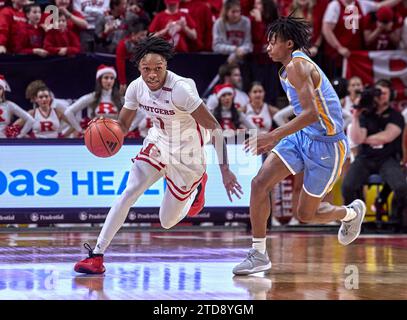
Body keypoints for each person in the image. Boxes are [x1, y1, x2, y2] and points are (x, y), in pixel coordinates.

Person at [74, 35, 242, 274]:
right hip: (158, 142)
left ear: (166, 66)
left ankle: (197, 188)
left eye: (158, 69)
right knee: (129, 192)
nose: (152, 74)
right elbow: (122, 125)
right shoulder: (136, 87)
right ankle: (97, 255)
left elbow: (214, 127)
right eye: (146, 69)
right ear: (139, 68)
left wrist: (225, 170)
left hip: (188, 154)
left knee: (166, 221)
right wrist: (103, 127)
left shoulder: (180, 90)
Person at [233, 16, 366, 276]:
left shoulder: (297, 66)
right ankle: (258, 253)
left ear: (289, 43)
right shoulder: (286, 67)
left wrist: (271, 136)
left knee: (306, 214)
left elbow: (311, 114)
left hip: (327, 145)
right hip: (303, 136)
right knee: (259, 183)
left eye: (273, 42)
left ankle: (349, 213)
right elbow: (306, 120)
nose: (268, 47)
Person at [343, 79, 407, 230]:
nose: (382, 96)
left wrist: (364, 139)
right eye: (378, 92)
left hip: (387, 158)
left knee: (401, 187)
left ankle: (395, 219)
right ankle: (354, 221)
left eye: (385, 92)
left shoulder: (395, 115)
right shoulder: (365, 114)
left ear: (391, 94)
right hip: (365, 158)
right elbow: (356, 138)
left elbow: (387, 136)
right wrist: (356, 116)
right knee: (348, 187)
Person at [64, 65, 123, 135]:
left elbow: (138, 112)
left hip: (115, 135)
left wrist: (128, 128)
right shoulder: (92, 97)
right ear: (100, 80)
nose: (109, 81)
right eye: (106, 78)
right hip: (96, 135)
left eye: (112, 78)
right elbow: (68, 112)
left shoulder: (120, 99)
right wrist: (80, 130)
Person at [212, 0, 253, 64]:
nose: (236, 15)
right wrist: (234, 49)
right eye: (233, 12)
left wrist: (238, 52)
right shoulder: (219, 23)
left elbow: (248, 44)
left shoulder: (246, 22)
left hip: (242, 58)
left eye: (238, 11)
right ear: (226, 12)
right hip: (222, 59)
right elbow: (216, 46)